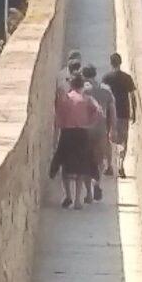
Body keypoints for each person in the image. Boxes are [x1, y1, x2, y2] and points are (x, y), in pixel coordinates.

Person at [52, 71, 97, 209]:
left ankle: (68, 196)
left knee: (65, 166)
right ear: (82, 85)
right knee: (80, 168)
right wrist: (89, 124)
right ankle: (78, 200)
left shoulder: (65, 99)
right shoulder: (87, 99)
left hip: (67, 133)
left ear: (71, 84)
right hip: (82, 134)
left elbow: (58, 119)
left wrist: (56, 136)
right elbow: (97, 112)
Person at [83, 63, 115, 201]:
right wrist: (112, 129)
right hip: (101, 129)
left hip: (86, 130)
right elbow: (112, 112)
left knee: (85, 161)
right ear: (95, 75)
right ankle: (97, 183)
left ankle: (89, 193)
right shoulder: (106, 90)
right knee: (99, 160)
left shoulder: (83, 91)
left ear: (84, 76)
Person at [104, 52, 138, 177]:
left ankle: (109, 166)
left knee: (110, 139)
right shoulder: (127, 78)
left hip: (110, 113)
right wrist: (134, 112)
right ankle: (120, 164)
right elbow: (133, 96)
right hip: (124, 112)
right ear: (120, 62)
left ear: (111, 63)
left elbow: (104, 95)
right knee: (123, 140)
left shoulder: (107, 78)